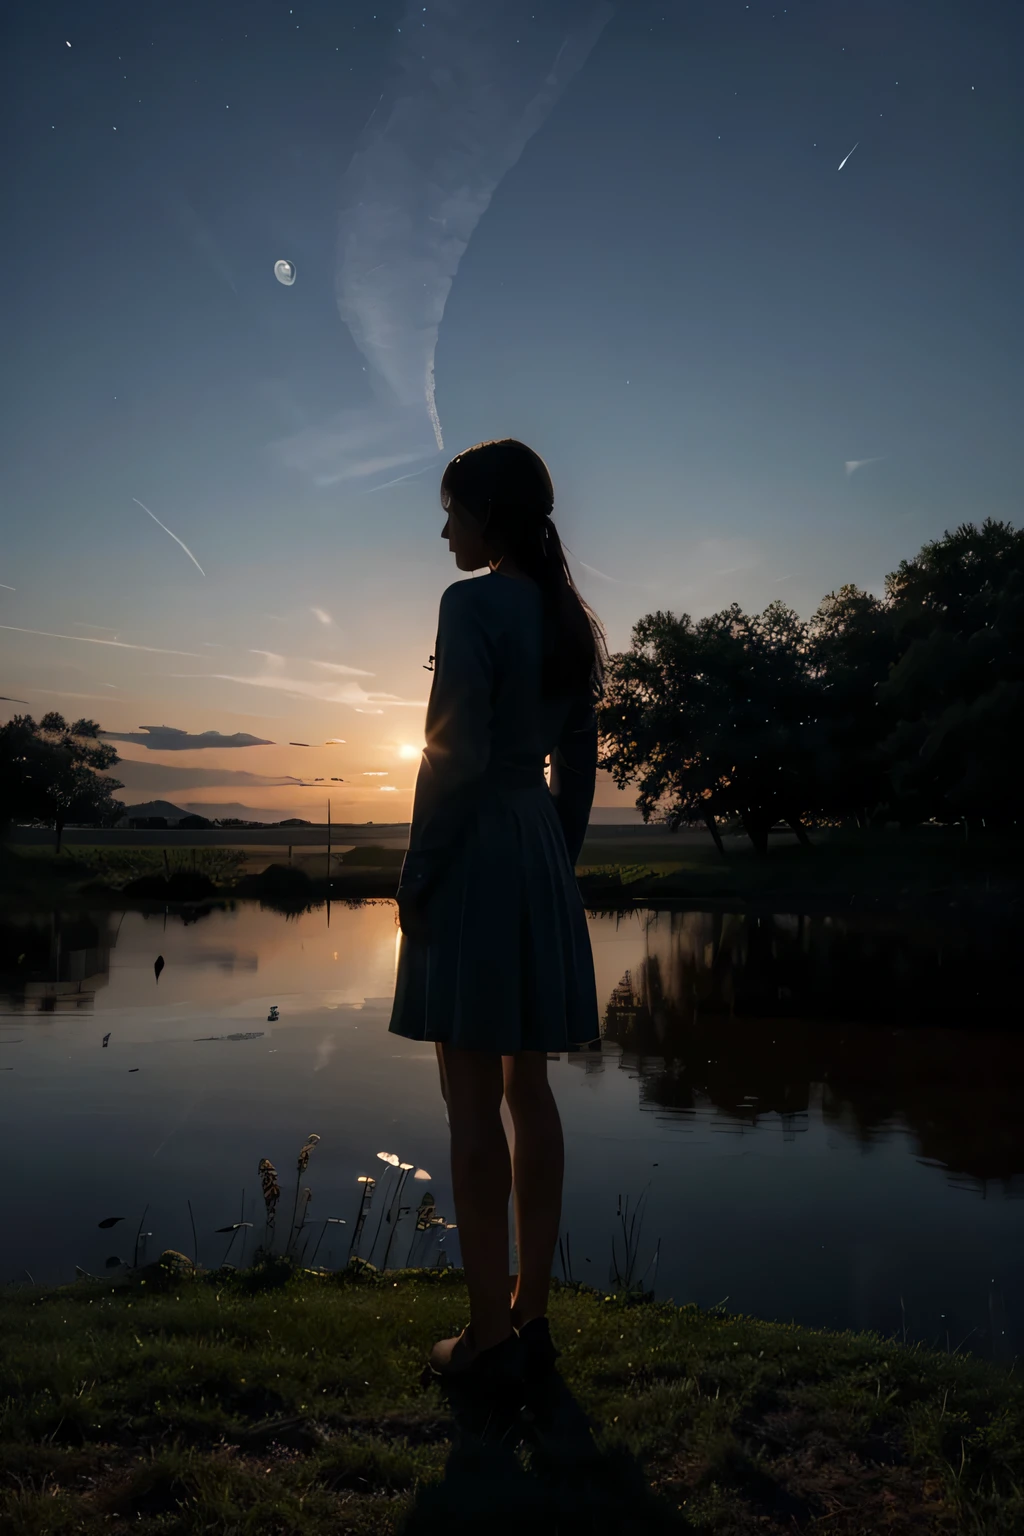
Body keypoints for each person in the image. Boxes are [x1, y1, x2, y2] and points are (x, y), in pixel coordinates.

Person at [388, 437, 608, 1395]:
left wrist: (415, 874)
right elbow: (580, 762)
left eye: (452, 512)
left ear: (489, 515)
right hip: (537, 851)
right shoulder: (569, 616)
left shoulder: (471, 603)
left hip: (476, 852)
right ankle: (532, 1315)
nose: (444, 529)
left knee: (470, 1099)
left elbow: (454, 758)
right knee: (532, 1094)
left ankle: (487, 1343)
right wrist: (558, 856)